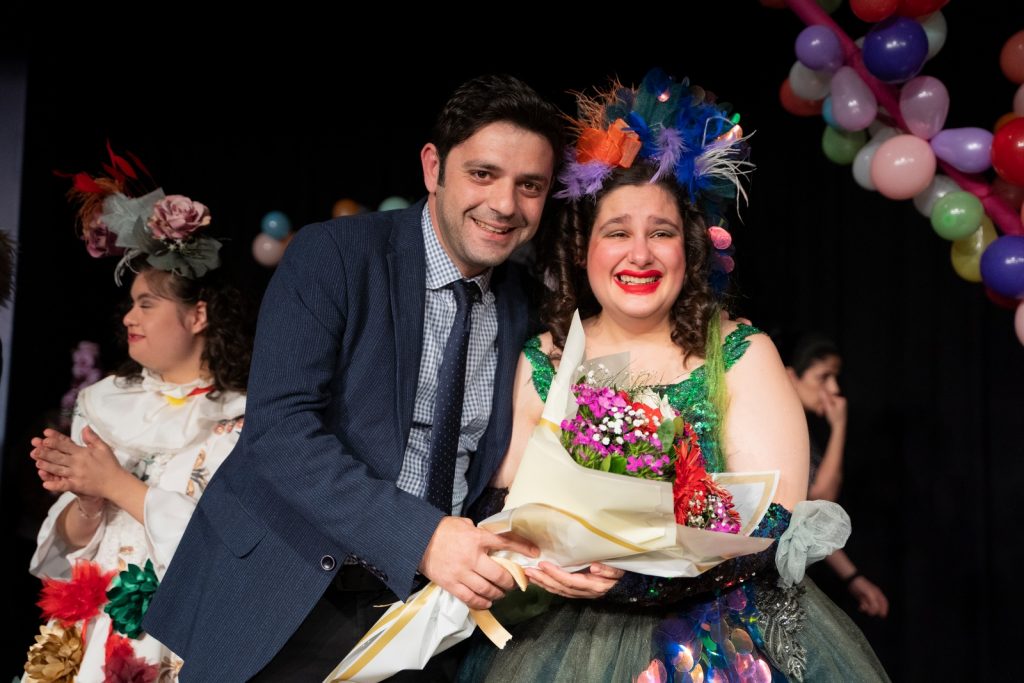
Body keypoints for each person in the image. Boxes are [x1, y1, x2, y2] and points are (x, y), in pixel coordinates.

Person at [457, 69, 890, 682]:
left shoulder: (739, 353)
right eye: (617, 233)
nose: (640, 254)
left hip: (723, 643)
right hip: (561, 636)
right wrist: (550, 560)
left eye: (660, 233)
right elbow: (506, 506)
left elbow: (774, 522)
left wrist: (637, 577)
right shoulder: (544, 359)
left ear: (689, 248)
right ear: (583, 249)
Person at [143, 74, 566, 682]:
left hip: (427, 613)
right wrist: (422, 537)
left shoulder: (523, 303)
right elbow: (280, 432)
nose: (505, 204)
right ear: (433, 167)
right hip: (290, 590)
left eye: (530, 186)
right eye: (483, 174)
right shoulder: (334, 255)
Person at [23, 151, 252, 681]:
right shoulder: (104, 401)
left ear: (198, 315)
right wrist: (87, 498)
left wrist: (113, 482)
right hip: (93, 627)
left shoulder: (242, 417)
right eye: (131, 303)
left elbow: (218, 544)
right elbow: (71, 546)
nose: (129, 317)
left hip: (175, 632)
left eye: (147, 304)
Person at [784, 332, 890, 618]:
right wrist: (840, 425)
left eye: (835, 377)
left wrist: (853, 578)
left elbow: (811, 517)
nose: (834, 388)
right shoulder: (782, 427)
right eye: (823, 377)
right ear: (791, 376)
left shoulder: (803, 429)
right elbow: (822, 498)